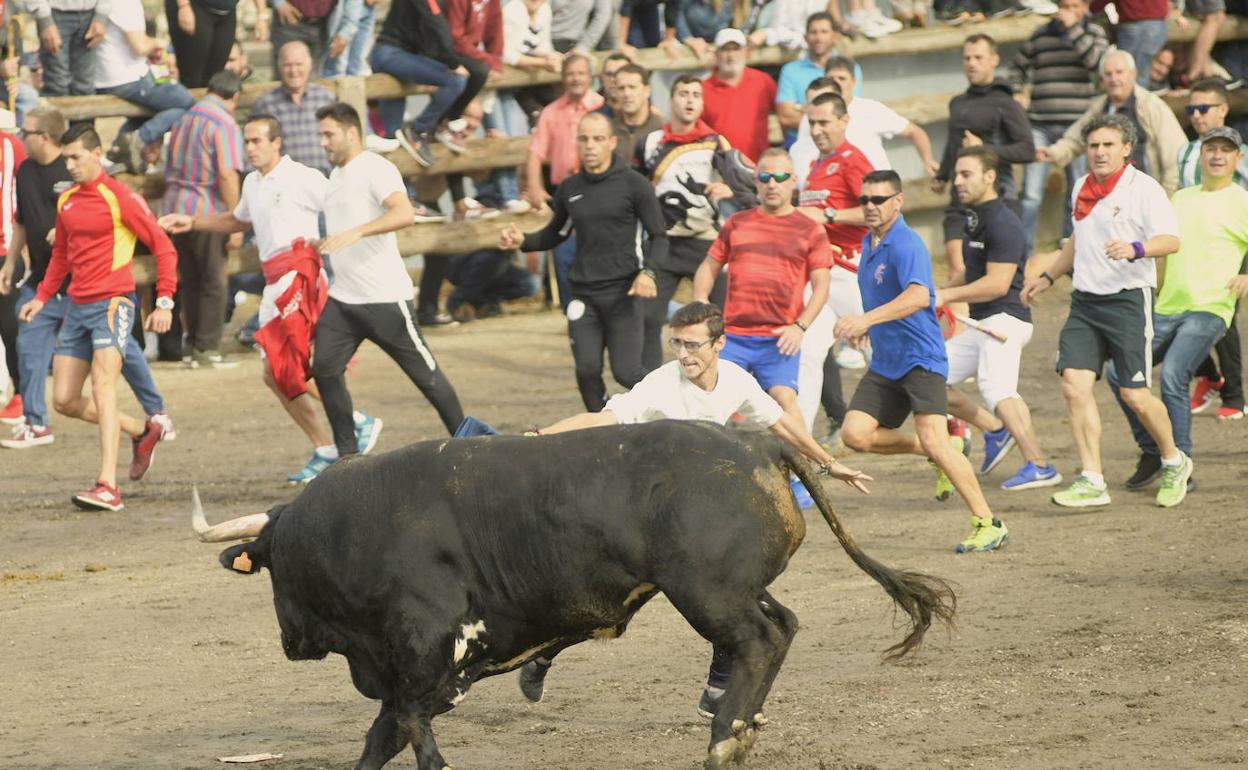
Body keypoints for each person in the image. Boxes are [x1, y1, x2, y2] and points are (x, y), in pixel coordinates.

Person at [516, 300, 873, 715]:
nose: (683, 354)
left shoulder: (736, 380)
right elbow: (604, 418)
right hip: (641, 515)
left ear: (719, 343)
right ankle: (543, 655)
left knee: (730, 592)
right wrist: (542, 435)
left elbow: (779, 422)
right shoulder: (660, 384)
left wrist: (829, 464)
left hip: (689, 518)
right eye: (676, 343)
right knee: (610, 605)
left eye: (692, 345)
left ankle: (719, 687)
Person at [159, 114, 380, 483]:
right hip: (273, 283)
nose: (249, 148)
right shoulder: (252, 183)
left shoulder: (303, 176)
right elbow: (238, 220)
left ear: (277, 143)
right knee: (273, 373)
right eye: (246, 142)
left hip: (299, 278)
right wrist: (194, 222)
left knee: (290, 368)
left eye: (256, 141)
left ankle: (355, 422)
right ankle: (327, 444)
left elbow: (342, 204)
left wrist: (345, 241)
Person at [835, 169, 1010, 553]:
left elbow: (918, 296)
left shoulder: (906, 243)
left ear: (898, 201)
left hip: (920, 358)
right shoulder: (869, 241)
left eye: (878, 200)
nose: (869, 206)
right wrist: (871, 327)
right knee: (855, 435)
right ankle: (941, 450)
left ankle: (988, 522)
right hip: (886, 360)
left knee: (935, 438)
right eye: (864, 200)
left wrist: (865, 320)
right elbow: (882, 293)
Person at [1021, 114, 1190, 508]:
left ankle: (1173, 459)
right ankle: (1092, 478)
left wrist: (1135, 248)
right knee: (1073, 386)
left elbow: (1171, 240)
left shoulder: (1144, 189)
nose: (1099, 152)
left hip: (1129, 300)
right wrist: (1047, 277)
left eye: (1108, 145)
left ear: (1126, 148)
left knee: (1134, 394)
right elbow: (1077, 242)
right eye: (1094, 145)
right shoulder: (1082, 185)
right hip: (1085, 303)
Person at [16, 124, 177, 510]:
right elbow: (62, 256)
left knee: (103, 388)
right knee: (66, 401)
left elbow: (163, 247)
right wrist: (42, 296)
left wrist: (165, 301)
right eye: (66, 157)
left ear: (97, 153)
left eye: (75, 157)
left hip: (113, 304)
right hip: (76, 306)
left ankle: (108, 485)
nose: (68, 165)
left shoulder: (119, 196)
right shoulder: (67, 200)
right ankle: (143, 431)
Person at [313, 103, 464, 458]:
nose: (323, 142)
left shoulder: (374, 168)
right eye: (321, 134)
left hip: (384, 299)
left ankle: (471, 442)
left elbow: (404, 212)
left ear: (352, 134)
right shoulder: (335, 176)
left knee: (426, 376)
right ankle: (348, 458)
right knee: (324, 369)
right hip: (344, 300)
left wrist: (358, 232)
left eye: (329, 134)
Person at [1104, 128, 1248, 492]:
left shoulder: (1241, 201)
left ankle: (1179, 462)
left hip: (1210, 307)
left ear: (1238, 159)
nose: (1217, 155)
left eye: (1225, 150)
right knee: (1117, 372)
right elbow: (1159, 244)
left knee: (1173, 374)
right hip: (1167, 306)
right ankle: (1153, 448)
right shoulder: (1180, 198)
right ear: (1200, 157)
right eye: (1210, 149)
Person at [500, 112, 665, 410]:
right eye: (584, 139)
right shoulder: (570, 188)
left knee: (627, 372)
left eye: (598, 139)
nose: (590, 145)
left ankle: (673, 415)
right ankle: (600, 427)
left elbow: (659, 236)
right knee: (587, 371)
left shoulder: (634, 184)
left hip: (624, 293)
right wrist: (522, 240)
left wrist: (649, 273)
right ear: (577, 142)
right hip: (584, 295)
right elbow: (556, 233)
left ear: (612, 142)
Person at [938, 147, 1061, 490]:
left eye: (966, 175)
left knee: (998, 388)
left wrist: (946, 297)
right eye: (957, 175)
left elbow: (998, 283)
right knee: (931, 379)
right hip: (982, 324)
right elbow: (971, 271)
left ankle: (1039, 465)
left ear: (990, 177)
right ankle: (996, 430)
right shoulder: (975, 217)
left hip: (1004, 320)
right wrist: (937, 293)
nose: (958, 181)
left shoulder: (1004, 222)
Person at [692, 148, 833, 429]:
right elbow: (708, 267)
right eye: (765, 177)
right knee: (706, 400)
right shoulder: (737, 223)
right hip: (733, 336)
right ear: (755, 181)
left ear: (793, 181)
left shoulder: (810, 229)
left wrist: (800, 327)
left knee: (784, 400)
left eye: (780, 177)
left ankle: (800, 469)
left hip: (779, 338)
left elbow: (822, 286)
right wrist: (700, 303)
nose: (772, 184)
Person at [634, 74, 733, 371]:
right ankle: (649, 391)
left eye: (695, 95)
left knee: (719, 322)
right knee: (647, 318)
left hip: (707, 243)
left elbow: (744, 184)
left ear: (702, 103)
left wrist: (729, 189)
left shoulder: (716, 142)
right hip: (664, 243)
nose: (689, 100)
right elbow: (637, 189)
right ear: (671, 100)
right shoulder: (649, 142)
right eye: (683, 93)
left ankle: (720, 387)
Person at [792, 92, 872, 442]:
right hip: (822, 275)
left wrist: (827, 215)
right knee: (807, 354)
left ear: (844, 121)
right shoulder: (814, 165)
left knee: (883, 353)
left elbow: (876, 211)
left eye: (824, 121)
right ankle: (803, 446)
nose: (818, 129)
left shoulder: (854, 161)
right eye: (812, 122)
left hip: (852, 272)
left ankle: (947, 422)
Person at [933, 34, 1034, 283]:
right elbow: (953, 144)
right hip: (960, 200)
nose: (972, 63)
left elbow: (1027, 150)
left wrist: (984, 148)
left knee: (993, 276)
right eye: (967, 58)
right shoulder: (958, 102)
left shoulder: (1006, 103)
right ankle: (958, 323)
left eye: (978, 57)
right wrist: (943, 175)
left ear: (993, 60)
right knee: (957, 272)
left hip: (998, 199)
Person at [1009, 0, 1109, 252]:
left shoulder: (1094, 32)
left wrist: (1074, 29)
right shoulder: (1041, 34)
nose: (1067, 11)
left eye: (1074, 5)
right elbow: (1016, 68)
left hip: (1078, 126)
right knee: (1031, 194)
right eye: (1064, 5)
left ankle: (1071, 249)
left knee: (1077, 191)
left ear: (1084, 7)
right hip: (1040, 124)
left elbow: (1098, 63)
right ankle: (1024, 252)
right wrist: (1017, 91)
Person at [160, 71, 245, 367]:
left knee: (190, 280)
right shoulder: (224, 123)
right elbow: (226, 173)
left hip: (174, 206)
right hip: (206, 210)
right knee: (213, 281)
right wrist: (236, 220)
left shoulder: (184, 119)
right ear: (233, 97)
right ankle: (207, 348)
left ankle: (192, 341)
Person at [1180, 80, 1248, 421]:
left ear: (1223, 109)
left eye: (1203, 109)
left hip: (1231, 247)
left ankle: (1235, 394)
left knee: (1223, 321)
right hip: (1194, 249)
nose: (1196, 116)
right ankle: (1209, 375)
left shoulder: (1242, 157)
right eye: (1191, 109)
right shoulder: (1187, 151)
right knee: (1183, 316)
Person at [1039, 48, 1187, 196]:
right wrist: (1053, 152)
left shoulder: (1150, 106)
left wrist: (1165, 197)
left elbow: (1176, 155)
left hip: (1144, 197)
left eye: (1119, 72)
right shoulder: (1099, 108)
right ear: (1102, 80)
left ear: (1133, 74)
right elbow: (1075, 140)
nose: (1114, 79)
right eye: (1108, 74)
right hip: (1105, 198)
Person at [522, 53, 604, 308]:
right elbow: (535, 153)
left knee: (598, 248)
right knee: (564, 251)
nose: (575, 78)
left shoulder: (602, 107)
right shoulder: (551, 111)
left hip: (599, 187)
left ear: (590, 77)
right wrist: (535, 187)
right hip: (565, 190)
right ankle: (572, 310)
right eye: (570, 73)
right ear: (562, 78)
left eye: (580, 73)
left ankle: (597, 305)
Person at [93, 0, 194, 174]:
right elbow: (139, 47)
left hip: (110, 77)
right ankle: (140, 137)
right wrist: (159, 43)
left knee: (157, 110)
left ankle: (118, 149)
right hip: (127, 79)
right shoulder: (127, 4)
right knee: (189, 105)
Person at [370, 0, 471, 167]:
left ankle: (407, 191)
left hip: (395, 55)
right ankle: (417, 129)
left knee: (393, 137)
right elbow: (436, 24)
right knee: (455, 81)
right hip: (391, 54)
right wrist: (453, 63)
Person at [253, 41, 336, 175]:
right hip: (284, 184)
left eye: (299, 64)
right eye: (288, 65)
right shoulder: (266, 104)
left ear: (310, 65)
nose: (293, 71)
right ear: (279, 67)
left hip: (325, 179)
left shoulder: (325, 98)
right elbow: (257, 148)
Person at [774, 13, 858, 143]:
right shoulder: (791, 70)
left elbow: (851, 110)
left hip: (841, 142)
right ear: (805, 37)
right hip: (799, 142)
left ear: (835, 36)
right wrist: (828, 120)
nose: (818, 37)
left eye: (824, 32)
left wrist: (803, 109)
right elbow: (786, 117)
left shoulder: (850, 68)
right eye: (814, 32)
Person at [701, 28, 777, 163]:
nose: (731, 55)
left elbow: (782, 113)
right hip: (719, 169)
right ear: (716, 53)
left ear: (746, 52)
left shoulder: (763, 82)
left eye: (736, 49)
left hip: (758, 168)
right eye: (725, 50)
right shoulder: (703, 89)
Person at [167, 0, 267, 88]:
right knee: (192, 78)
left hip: (226, 10)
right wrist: (184, 6)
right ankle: (193, 108)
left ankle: (209, 108)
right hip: (194, 6)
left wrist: (262, 16)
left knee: (215, 79)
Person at [1090, 0, 1167, 85]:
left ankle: (1135, 97)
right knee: (1141, 72)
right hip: (1157, 23)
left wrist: (1090, 8)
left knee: (1127, 73)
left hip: (1134, 22)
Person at [605, 63, 662, 168]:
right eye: (621, 88)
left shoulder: (662, 129)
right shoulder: (607, 130)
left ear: (647, 91)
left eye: (632, 87)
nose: (627, 94)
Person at [270, 0, 345, 71]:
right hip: (291, 22)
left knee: (315, 77)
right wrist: (279, 3)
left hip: (322, 26)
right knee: (289, 72)